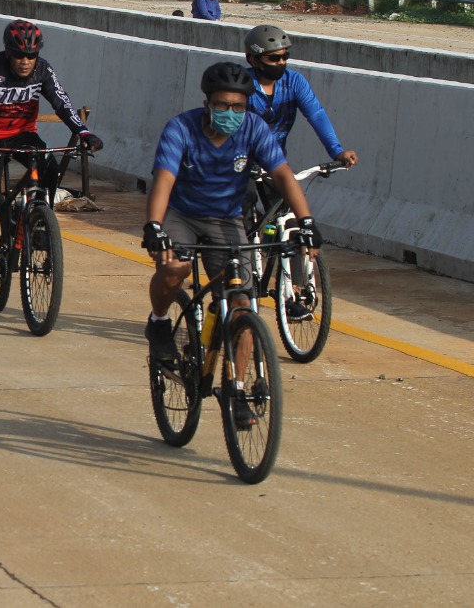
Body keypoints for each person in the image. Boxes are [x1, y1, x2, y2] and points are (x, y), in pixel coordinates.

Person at [142, 62, 321, 426]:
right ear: (207, 103)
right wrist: (155, 226)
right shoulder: (181, 128)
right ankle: (159, 321)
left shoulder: (254, 128)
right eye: (222, 105)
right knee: (174, 268)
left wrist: (306, 222)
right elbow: (164, 178)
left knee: (243, 303)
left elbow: (282, 173)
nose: (231, 114)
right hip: (183, 213)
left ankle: (236, 389)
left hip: (226, 219)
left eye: (238, 107)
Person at [0, 20, 103, 299]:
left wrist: (84, 132)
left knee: (49, 167)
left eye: (31, 55)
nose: (25, 62)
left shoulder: (42, 69)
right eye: (18, 55)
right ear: (7, 52)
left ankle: (40, 218)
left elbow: (61, 102)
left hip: (23, 134)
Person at [243, 24, 358, 319]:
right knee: (240, 216)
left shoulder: (295, 82)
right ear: (253, 60)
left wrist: (337, 151)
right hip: (239, 161)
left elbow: (316, 115)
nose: (281, 63)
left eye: (284, 57)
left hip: (274, 163)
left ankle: (291, 294)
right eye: (274, 59)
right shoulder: (241, 84)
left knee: (292, 223)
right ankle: (240, 276)